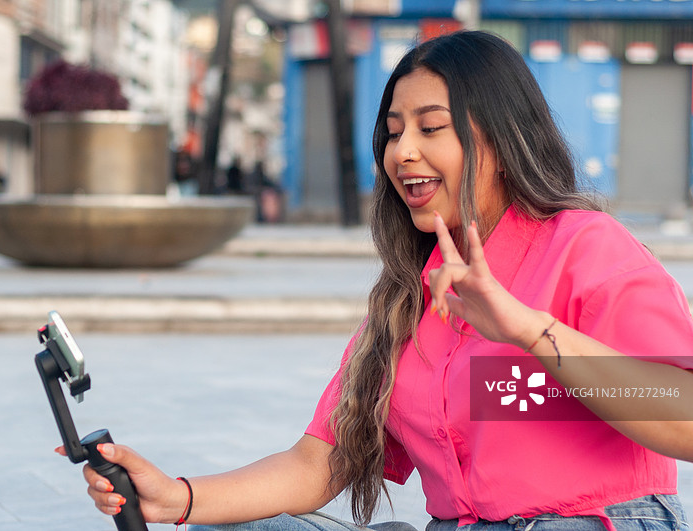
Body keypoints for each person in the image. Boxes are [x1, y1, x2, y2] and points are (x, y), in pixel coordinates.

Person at [61, 31, 693, 530]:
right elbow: (320, 462)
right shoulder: (406, 300)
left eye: (430, 127)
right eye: (393, 132)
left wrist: (527, 331)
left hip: (592, 524)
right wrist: (177, 497)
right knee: (231, 529)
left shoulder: (585, 247)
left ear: (502, 137)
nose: (402, 152)